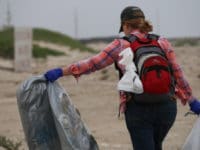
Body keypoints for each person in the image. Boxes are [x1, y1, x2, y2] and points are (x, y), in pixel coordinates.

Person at [44, 6, 200, 150]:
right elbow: (178, 74)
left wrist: (60, 71)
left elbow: (92, 64)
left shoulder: (121, 44)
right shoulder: (162, 42)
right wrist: (192, 102)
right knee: (156, 145)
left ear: (125, 25)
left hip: (138, 109)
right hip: (167, 108)